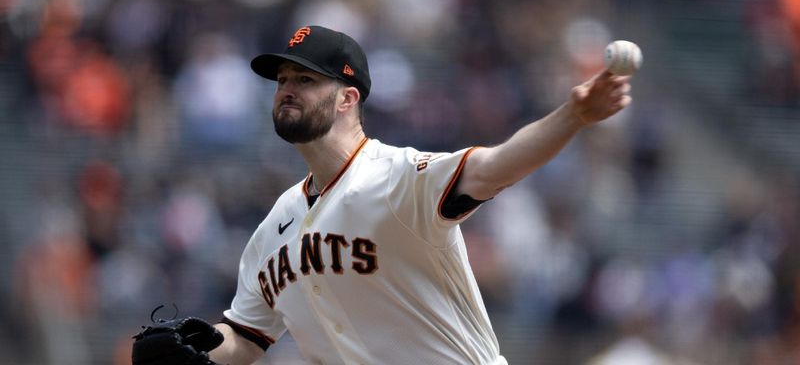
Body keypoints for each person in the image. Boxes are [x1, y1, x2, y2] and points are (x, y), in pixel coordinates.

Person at [132, 25, 633, 365]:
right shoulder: (274, 227)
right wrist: (195, 344)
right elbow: (247, 337)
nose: (286, 88)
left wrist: (574, 117)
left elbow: (496, 164)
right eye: (282, 79)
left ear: (348, 98)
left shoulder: (397, 176)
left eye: (305, 79)